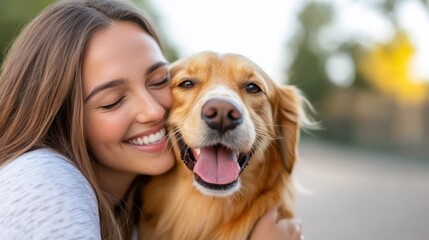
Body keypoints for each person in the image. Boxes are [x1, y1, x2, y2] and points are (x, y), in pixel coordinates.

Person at [0, 0, 302, 239]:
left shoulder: (128, 214)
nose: (156, 112)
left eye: (158, 81)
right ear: (61, 114)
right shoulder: (44, 182)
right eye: (113, 100)